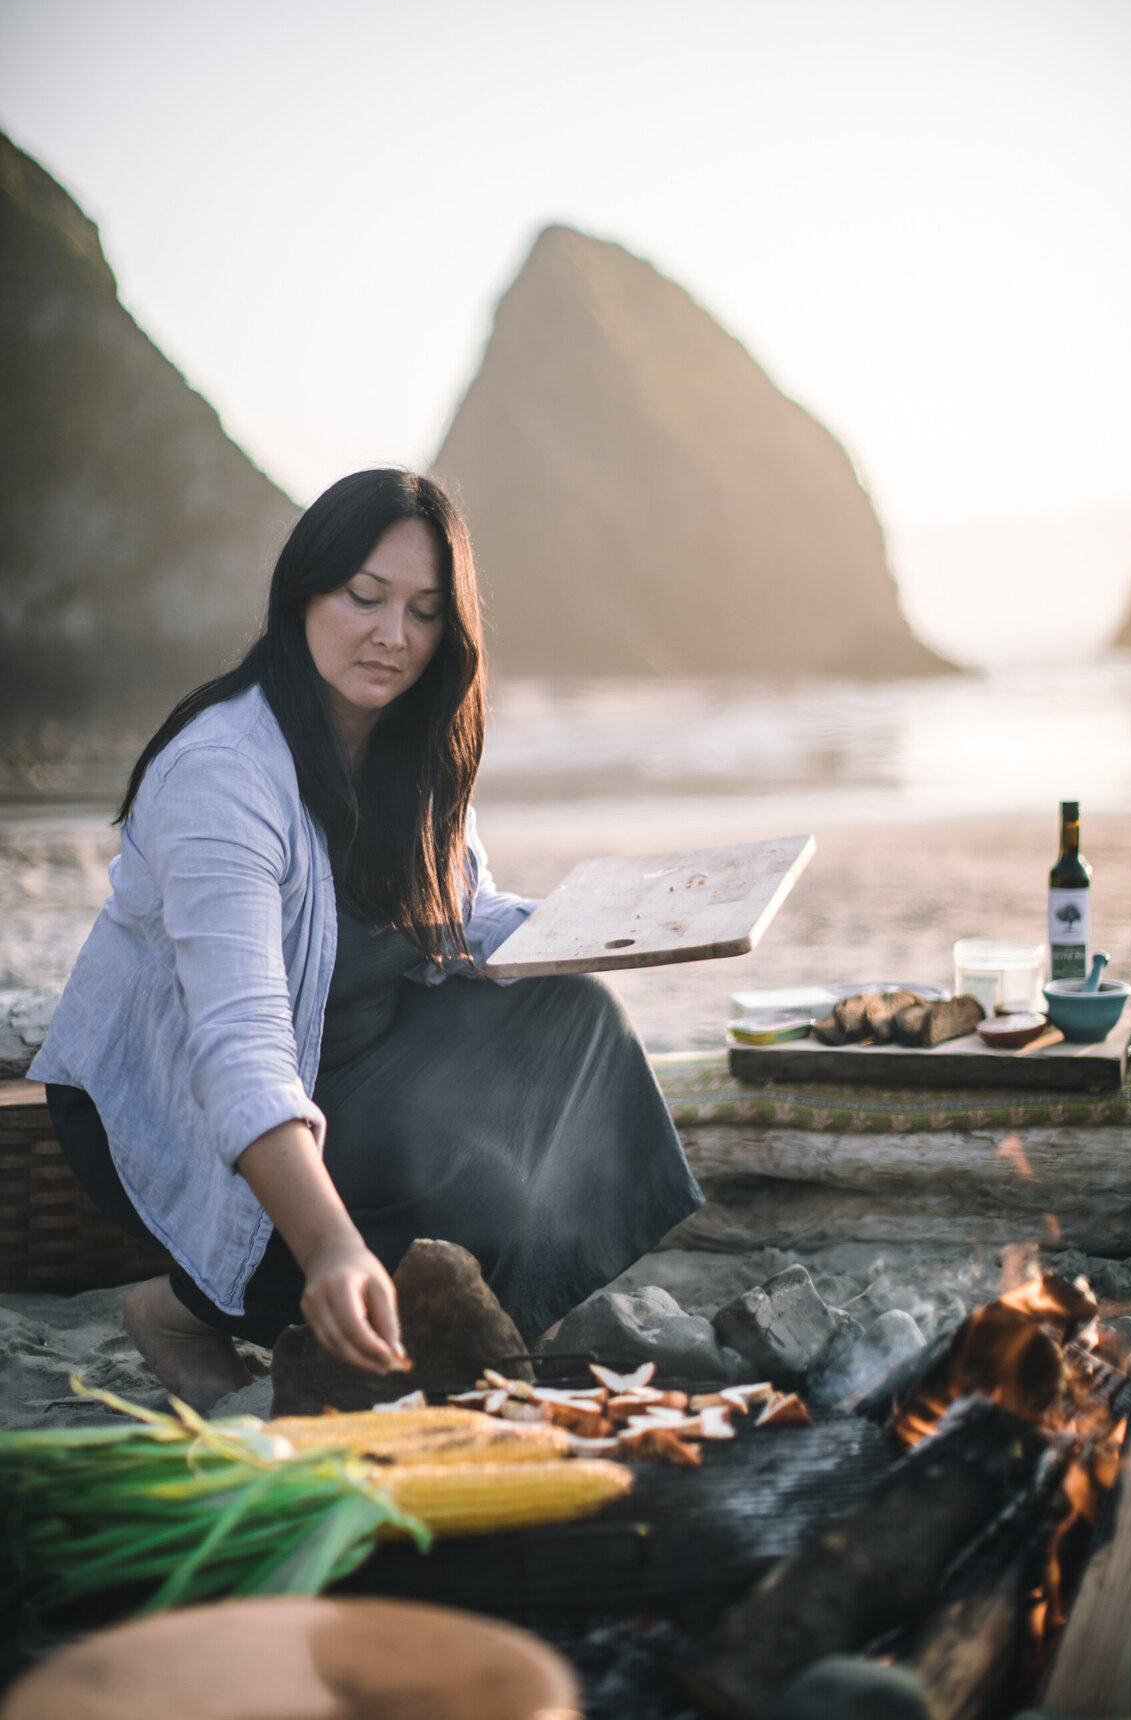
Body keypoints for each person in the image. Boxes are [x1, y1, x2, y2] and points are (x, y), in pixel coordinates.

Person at [31, 469, 703, 1410]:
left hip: (357, 1058)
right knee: (466, 1192)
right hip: (186, 1098)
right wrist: (333, 1246)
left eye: (427, 612)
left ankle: (494, 1327)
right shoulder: (223, 774)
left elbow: (466, 909)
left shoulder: (413, 745)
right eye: (366, 597)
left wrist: (630, 921)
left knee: (579, 1018)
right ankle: (183, 1308)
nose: (394, 636)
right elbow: (240, 1049)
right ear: (305, 589)